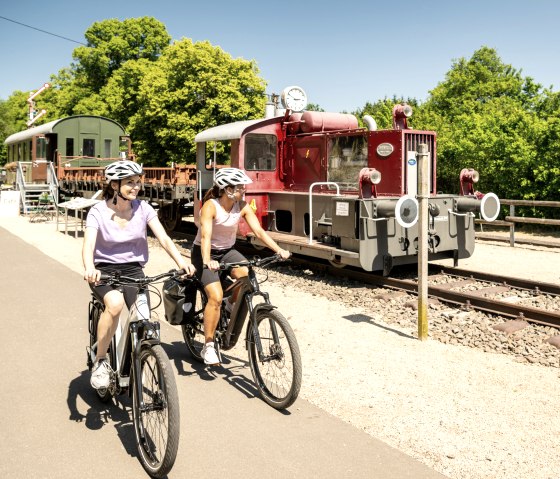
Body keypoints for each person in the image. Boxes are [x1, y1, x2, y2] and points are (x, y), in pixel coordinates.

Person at [83, 160, 195, 390]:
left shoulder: (144, 209)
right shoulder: (98, 211)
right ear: (115, 185)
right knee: (114, 304)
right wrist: (89, 267)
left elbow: (164, 238)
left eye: (138, 182)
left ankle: (140, 357)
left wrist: (181, 262)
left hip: (133, 270)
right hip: (104, 269)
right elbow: (88, 245)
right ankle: (101, 361)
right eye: (130, 183)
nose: (136, 187)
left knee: (144, 318)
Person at [191, 167, 291, 365]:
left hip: (227, 251)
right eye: (239, 187)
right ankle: (209, 346)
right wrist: (208, 261)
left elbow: (259, 232)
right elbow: (205, 236)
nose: (243, 190)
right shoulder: (211, 206)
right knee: (215, 296)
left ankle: (230, 305)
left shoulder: (242, 206)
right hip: (204, 251)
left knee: (246, 274)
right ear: (227, 189)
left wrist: (278, 250)